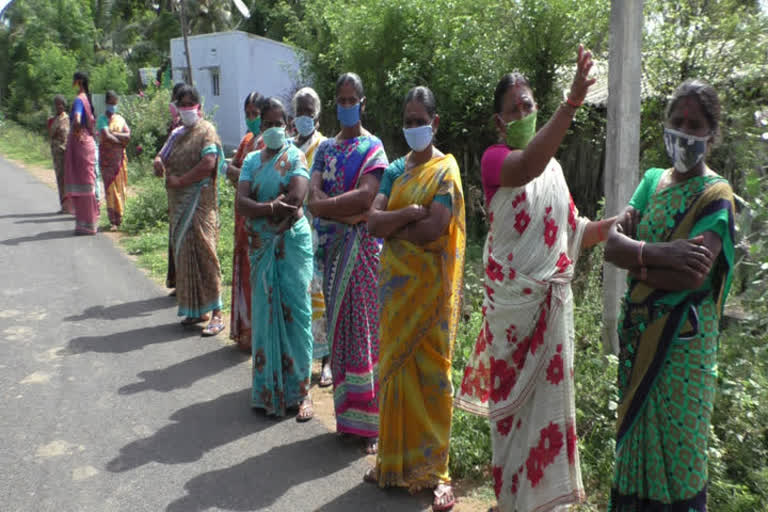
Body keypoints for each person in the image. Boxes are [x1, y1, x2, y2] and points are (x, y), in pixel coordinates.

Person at [455, 46, 614, 512]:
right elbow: (527, 167)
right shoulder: (494, 160)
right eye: (514, 109)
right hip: (512, 318)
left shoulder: (557, 170)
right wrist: (572, 103)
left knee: (547, 418)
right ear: (500, 122)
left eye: (529, 105)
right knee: (513, 424)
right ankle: (511, 503)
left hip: (552, 313)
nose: (523, 112)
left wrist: (616, 224)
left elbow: (573, 232)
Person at [604, 80, 735, 512]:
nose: (683, 132)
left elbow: (692, 276)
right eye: (676, 121)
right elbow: (611, 245)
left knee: (679, 456)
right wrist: (660, 255)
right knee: (635, 447)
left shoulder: (717, 198)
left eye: (694, 125)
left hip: (683, 350)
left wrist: (638, 259)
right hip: (640, 339)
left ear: (711, 135)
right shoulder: (652, 181)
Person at [366, 86, 465, 511]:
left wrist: (396, 228)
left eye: (419, 120)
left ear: (435, 122)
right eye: (407, 121)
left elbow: (435, 230)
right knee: (394, 370)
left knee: (432, 377)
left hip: (429, 298)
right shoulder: (392, 170)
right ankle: (393, 461)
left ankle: (434, 469)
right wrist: (406, 215)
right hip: (396, 293)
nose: (413, 127)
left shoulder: (447, 171)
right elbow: (373, 222)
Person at [308, 72, 388, 454]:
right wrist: (340, 211)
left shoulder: (374, 148)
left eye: (351, 99)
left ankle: (370, 426)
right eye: (340, 100)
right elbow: (313, 194)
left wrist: (326, 208)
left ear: (362, 101)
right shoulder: (324, 149)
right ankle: (347, 421)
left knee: (365, 333)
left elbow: (367, 198)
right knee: (340, 334)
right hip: (335, 253)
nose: (345, 106)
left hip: (363, 253)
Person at [236, 97, 315, 421]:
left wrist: (263, 205)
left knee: (297, 314)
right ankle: (267, 390)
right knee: (265, 312)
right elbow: (241, 203)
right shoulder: (253, 160)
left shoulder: (295, 156)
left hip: (292, 244)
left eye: (277, 123)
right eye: (266, 123)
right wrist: (271, 207)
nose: (271, 129)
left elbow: (297, 197)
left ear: (288, 126)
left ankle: (302, 392)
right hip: (262, 246)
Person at [152, 85, 225, 336]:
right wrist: (158, 162)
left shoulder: (206, 131)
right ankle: (197, 309)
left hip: (200, 204)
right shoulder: (176, 134)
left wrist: (181, 181)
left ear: (199, 107)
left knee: (206, 254)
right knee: (185, 256)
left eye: (189, 104)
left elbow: (208, 164)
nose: (186, 109)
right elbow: (161, 156)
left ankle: (217, 313)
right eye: (181, 104)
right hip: (179, 207)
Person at [291, 86, 332, 387]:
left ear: (317, 115)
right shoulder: (289, 147)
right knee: (299, 295)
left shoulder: (325, 146)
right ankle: (301, 357)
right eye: (300, 111)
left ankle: (327, 361)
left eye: (309, 111)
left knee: (322, 295)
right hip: (294, 232)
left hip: (320, 231)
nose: (304, 116)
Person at [226, 91, 266, 352]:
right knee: (243, 272)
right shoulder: (247, 140)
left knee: (257, 277)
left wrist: (234, 172)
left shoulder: (265, 144)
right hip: (242, 218)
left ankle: (258, 334)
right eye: (248, 114)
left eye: (255, 114)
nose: (251, 119)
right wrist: (235, 174)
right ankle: (245, 331)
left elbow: (257, 180)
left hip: (258, 218)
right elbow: (238, 178)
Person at [63, 71, 99, 235]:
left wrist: (76, 133)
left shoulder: (79, 99)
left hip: (80, 143)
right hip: (89, 142)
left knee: (82, 184)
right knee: (87, 184)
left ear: (78, 82)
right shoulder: (87, 99)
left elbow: (77, 120)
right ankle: (87, 223)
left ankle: (85, 225)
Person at [164, 82, 187, 296]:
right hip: (175, 193)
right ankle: (179, 282)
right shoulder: (175, 128)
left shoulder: (196, 129)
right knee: (176, 237)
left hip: (190, 193)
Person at [96, 90, 131, 230]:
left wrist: (114, 134)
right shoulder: (101, 119)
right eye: (111, 103)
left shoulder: (120, 119)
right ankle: (113, 221)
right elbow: (105, 135)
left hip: (120, 160)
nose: (113, 105)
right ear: (106, 103)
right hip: (107, 160)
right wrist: (120, 140)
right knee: (110, 188)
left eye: (115, 103)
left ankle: (121, 217)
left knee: (120, 187)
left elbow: (128, 135)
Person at [48, 95, 70, 212]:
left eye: (61, 103)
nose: (59, 106)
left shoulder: (68, 119)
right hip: (57, 154)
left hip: (67, 152)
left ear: (64, 105)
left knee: (69, 179)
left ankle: (71, 206)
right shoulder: (52, 120)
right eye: (56, 104)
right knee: (60, 179)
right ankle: (64, 206)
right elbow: (50, 136)